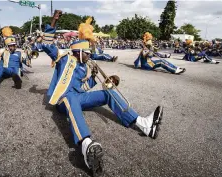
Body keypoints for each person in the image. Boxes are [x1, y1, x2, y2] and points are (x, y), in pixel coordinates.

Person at [41, 12, 163, 176]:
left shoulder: (85, 67)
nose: (90, 55)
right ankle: (86, 144)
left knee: (108, 93)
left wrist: (93, 78)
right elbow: (46, 43)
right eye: (87, 52)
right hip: (63, 100)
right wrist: (54, 20)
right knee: (70, 98)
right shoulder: (63, 58)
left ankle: (143, 124)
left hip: (77, 98)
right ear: (78, 51)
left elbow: (82, 88)